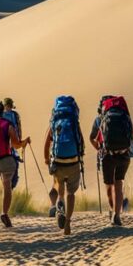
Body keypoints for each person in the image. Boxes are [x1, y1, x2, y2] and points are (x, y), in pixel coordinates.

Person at [90, 95, 133, 227]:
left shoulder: (99, 119)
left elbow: (92, 138)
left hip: (107, 155)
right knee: (119, 184)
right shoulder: (125, 117)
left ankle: (113, 210)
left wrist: (98, 147)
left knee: (109, 185)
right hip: (124, 155)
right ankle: (116, 215)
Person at [0, 101, 31, 232]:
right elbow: (15, 144)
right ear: (2, 111)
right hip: (6, 160)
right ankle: (4, 213)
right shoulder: (7, 124)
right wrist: (24, 142)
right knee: (7, 185)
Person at [43, 95, 85, 235]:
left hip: (58, 161)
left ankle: (59, 203)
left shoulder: (54, 121)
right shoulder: (74, 121)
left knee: (59, 187)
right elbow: (81, 141)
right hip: (73, 161)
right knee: (71, 193)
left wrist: (47, 161)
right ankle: (67, 223)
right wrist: (80, 157)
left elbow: (46, 142)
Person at [2, 97, 23, 189]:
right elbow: (19, 131)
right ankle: (10, 189)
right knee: (14, 171)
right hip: (12, 149)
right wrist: (20, 142)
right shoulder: (15, 115)